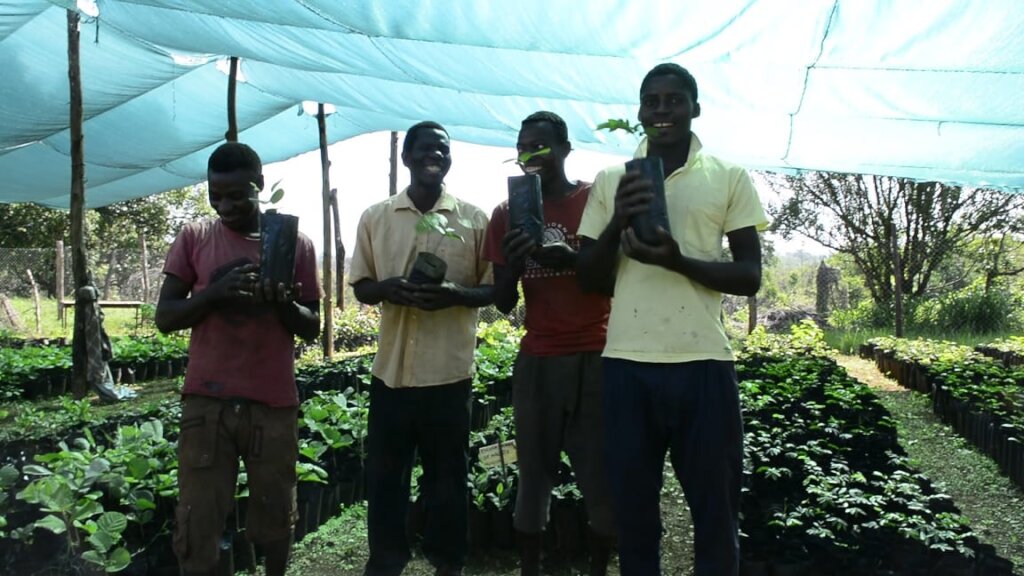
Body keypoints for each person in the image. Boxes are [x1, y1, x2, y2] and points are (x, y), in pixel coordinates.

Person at [577, 63, 768, 576]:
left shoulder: (728, 176)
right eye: (652, 101)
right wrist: (620, 216)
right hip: (626, 364)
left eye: (674, 100)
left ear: (695, 108)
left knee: (716, 509)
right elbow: (589, 278)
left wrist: (676, 260)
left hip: (703, 361)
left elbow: (749, 276)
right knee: (634, 513)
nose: (662, 110)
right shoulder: (612, 179)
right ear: (640, 112)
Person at [155, 142, 321, 576]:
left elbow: (311, 326)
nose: (225, 205)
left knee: (274, 513)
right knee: (199, 518)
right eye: (216, 195)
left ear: (260, 186)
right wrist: (213, 293)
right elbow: (165, 317)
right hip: (206, 404)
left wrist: (282, 303)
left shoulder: (292, 243)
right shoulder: (195, 238)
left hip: (272, 403)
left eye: (236, 195)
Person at [349, 121, 494, 576]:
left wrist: (454, 294)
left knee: (448, 479)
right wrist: (388, 288)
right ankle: (387, 560)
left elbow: (492, 291)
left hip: (448, 376)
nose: (435, 154)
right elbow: (362, 287)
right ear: (406, 157)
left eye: (443, 149)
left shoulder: (473, 219)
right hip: (390, 375)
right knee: (386, 478)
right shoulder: (376, 216)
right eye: (425, 148)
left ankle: (448, 561)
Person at [483, 111, 615, 576]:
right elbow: (501, 301)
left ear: (564, 149)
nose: (530, 155)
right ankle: (530, 569)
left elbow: (614, 278)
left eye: (540, 145)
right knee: (533, 474)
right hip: (538, 359)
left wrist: (572, 258)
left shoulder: (595, 200)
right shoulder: (506, 214)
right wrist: (516, 264)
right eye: (522, 147)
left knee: (600, 474)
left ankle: (599, 567)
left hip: (595, 356)